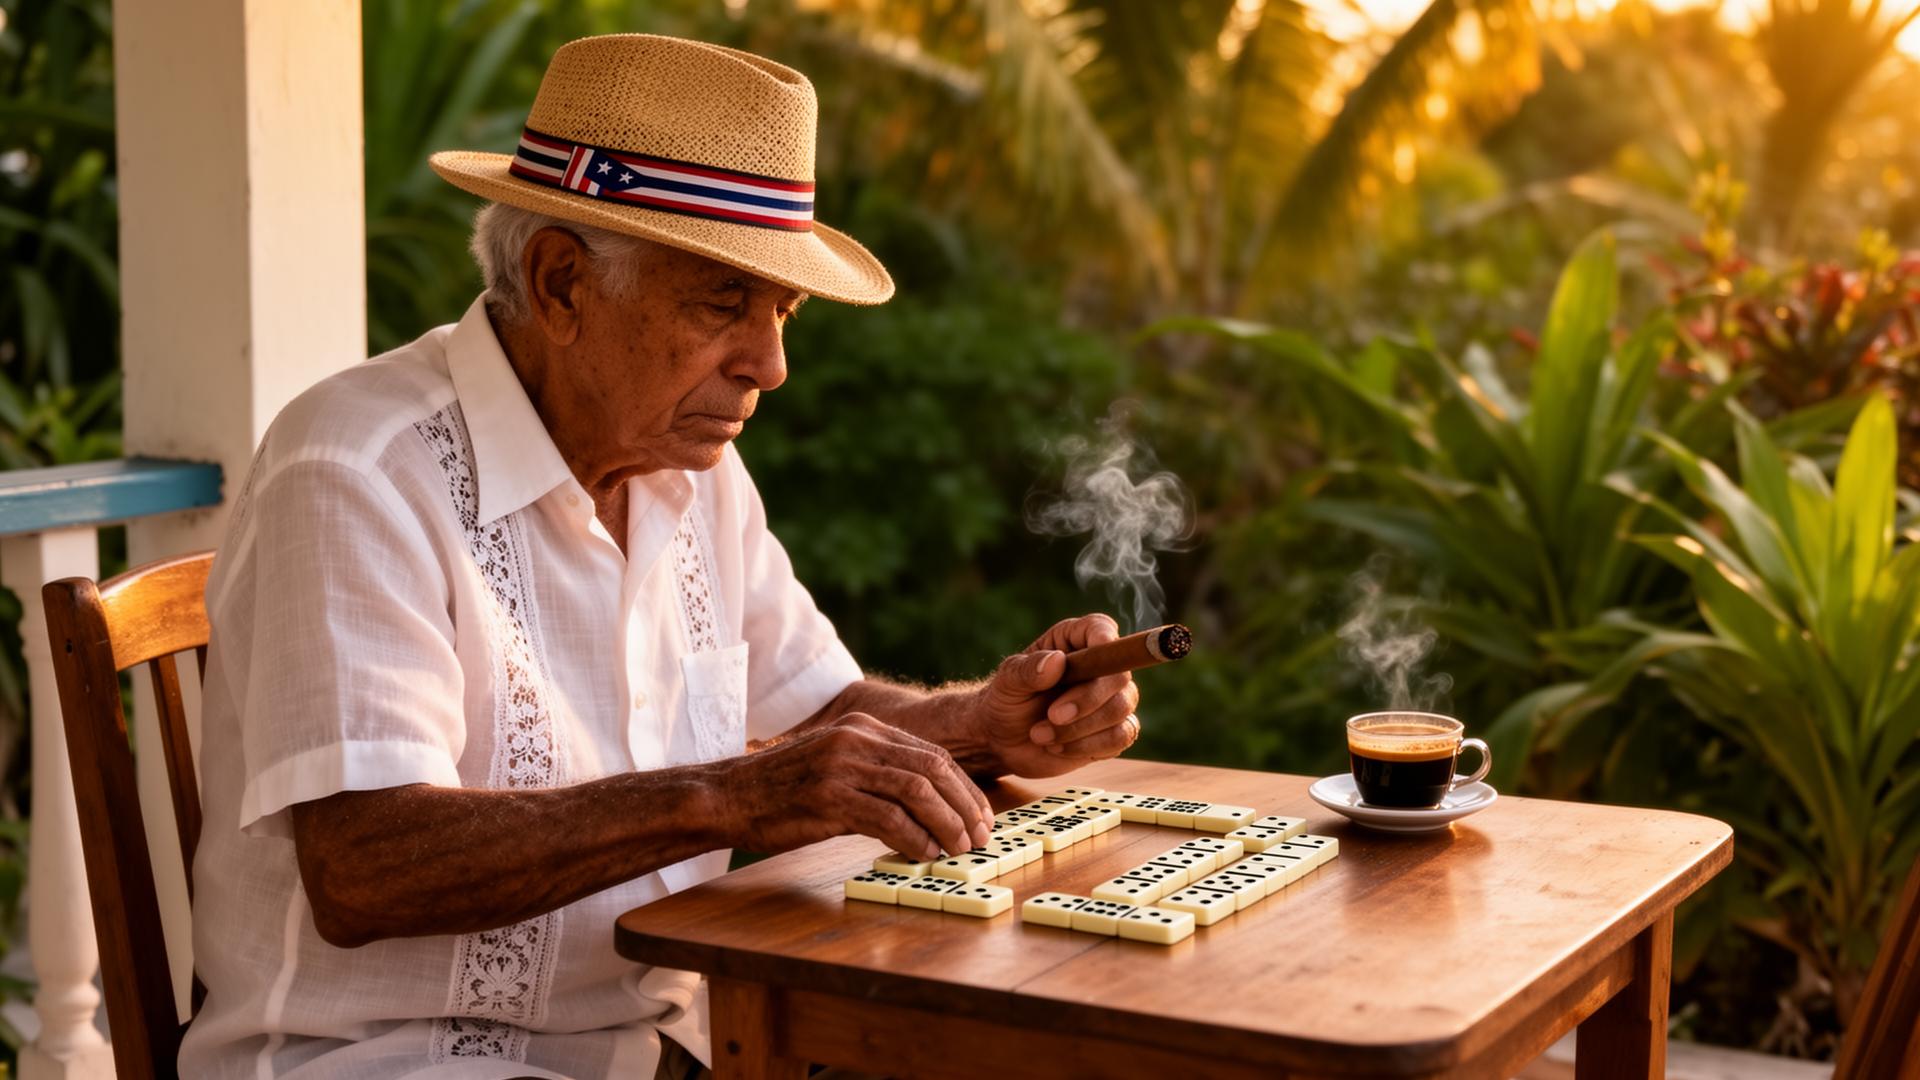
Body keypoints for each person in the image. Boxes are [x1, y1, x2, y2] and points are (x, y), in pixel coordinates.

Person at [179, 33, 1142, 1079]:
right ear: (559, 284)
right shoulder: (359, 468)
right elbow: (363, 869)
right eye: (724, 302)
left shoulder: (695, 475)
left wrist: (981, 722)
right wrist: (731, 798)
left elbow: (817, 714)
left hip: (666, 1046)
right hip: (383, 1062)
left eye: (784, 311)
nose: (771, 364)